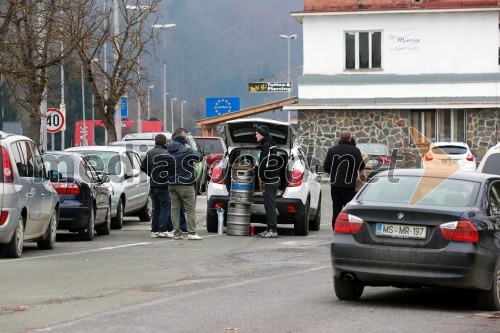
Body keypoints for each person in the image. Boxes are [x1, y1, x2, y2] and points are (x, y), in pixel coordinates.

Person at [323, 130, 365, 229]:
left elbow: (326, 166)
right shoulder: (355, 150)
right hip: (349, 185)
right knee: (348, 209)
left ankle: (335, 229)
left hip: (335, 185)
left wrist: (333, 173)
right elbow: (361, 165)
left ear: (339, 138)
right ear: (350, 139)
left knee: (336, 208)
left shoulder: (332, 150)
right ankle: (347, 229)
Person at [166, 134, 203, 240]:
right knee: (190, 208)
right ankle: (191, 233)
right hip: (185, 184)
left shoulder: (168, 151)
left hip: (172, 184)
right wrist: (189, 148)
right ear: (183, 143)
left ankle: (177, 233)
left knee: (174, 209)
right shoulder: (187, 151)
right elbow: (199, 158)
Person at [140, 134, 174, 238]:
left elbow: (143, 166)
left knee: (156, 208)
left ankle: (154, 231)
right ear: (165, 142)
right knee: (165, 207)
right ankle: (163, 230)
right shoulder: (167, 153)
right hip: (164, 185)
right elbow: (172, 169)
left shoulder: (150, 152)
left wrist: (151, 174)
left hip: (153, 184)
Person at [255, 125, 279, 238]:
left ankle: (273, 230)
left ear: (263, 134)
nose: (255, 135)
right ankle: (269, 228)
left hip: (269, 180)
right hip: (272, 179)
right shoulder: (271, 145)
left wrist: (261, 177)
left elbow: (264, 164)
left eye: (257, 133)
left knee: (270, 206)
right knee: (269, 205)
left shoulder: (266, 146)